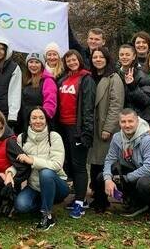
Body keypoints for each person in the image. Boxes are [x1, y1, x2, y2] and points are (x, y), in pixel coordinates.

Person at [9, 107, 69, 231]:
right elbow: (19, 162)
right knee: (21, 206)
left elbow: (57, 164)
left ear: (46, 120)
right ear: (29, 121)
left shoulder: (54, 136)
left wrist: (33, 160)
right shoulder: (22, 138)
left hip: (58, 184)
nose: (38, 121)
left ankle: (47, 215)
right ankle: (44, 203)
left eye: (41, 118)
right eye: (34, 118)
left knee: (46, 173)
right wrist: (10, 172)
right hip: (34, 186)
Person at [54, 49, 96, 219]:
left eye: (74, 59)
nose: (72, 62)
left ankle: (80, 201)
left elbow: (87, 107)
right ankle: (78, 198)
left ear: (79, 60)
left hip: (77, 128)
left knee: (79, 166)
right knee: (70, 164)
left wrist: (86, 132)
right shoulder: (63, 79)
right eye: (68, 60)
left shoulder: (86, 79)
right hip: (63, 128)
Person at [100, 109, 150, 216]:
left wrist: (126, 178)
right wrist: (108, 179)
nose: (127, 125)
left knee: (143, 183)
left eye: (130, 121)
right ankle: (122, 201)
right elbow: (110, 159)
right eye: (123, 122)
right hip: (132, 170)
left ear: (137, 121)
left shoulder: (149, 139)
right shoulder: (117, 137)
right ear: (119, 123)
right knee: (102, 176)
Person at [87, 47, 125, 214]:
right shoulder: (90, 76)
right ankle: (97, 196)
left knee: (104, 163)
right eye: (95, 57)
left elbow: (116, 105)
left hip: (105, 127)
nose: (97, 59)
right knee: (94, 163)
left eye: (101, 56)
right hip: (92, 127)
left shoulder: (113, 77)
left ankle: (103, 199)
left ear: (107, 59)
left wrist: (108, 128)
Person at [17, 53, 57, 135]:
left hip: (40, 125)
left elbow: (50, 104)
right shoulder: (26, 81)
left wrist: (40, 120)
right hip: (26, 123)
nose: (33, 65)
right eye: (31, 62)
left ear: (42, 65)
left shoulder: (48, 81)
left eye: (37, 62)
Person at [119, 44, 150, 126]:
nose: (124, 57)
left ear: (133, 57)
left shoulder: (142, 74)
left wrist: (132, 86)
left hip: (143, 119)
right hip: (126, 120)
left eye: (127, 54)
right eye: (122, 55)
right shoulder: (117, 74)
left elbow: (146, 100)